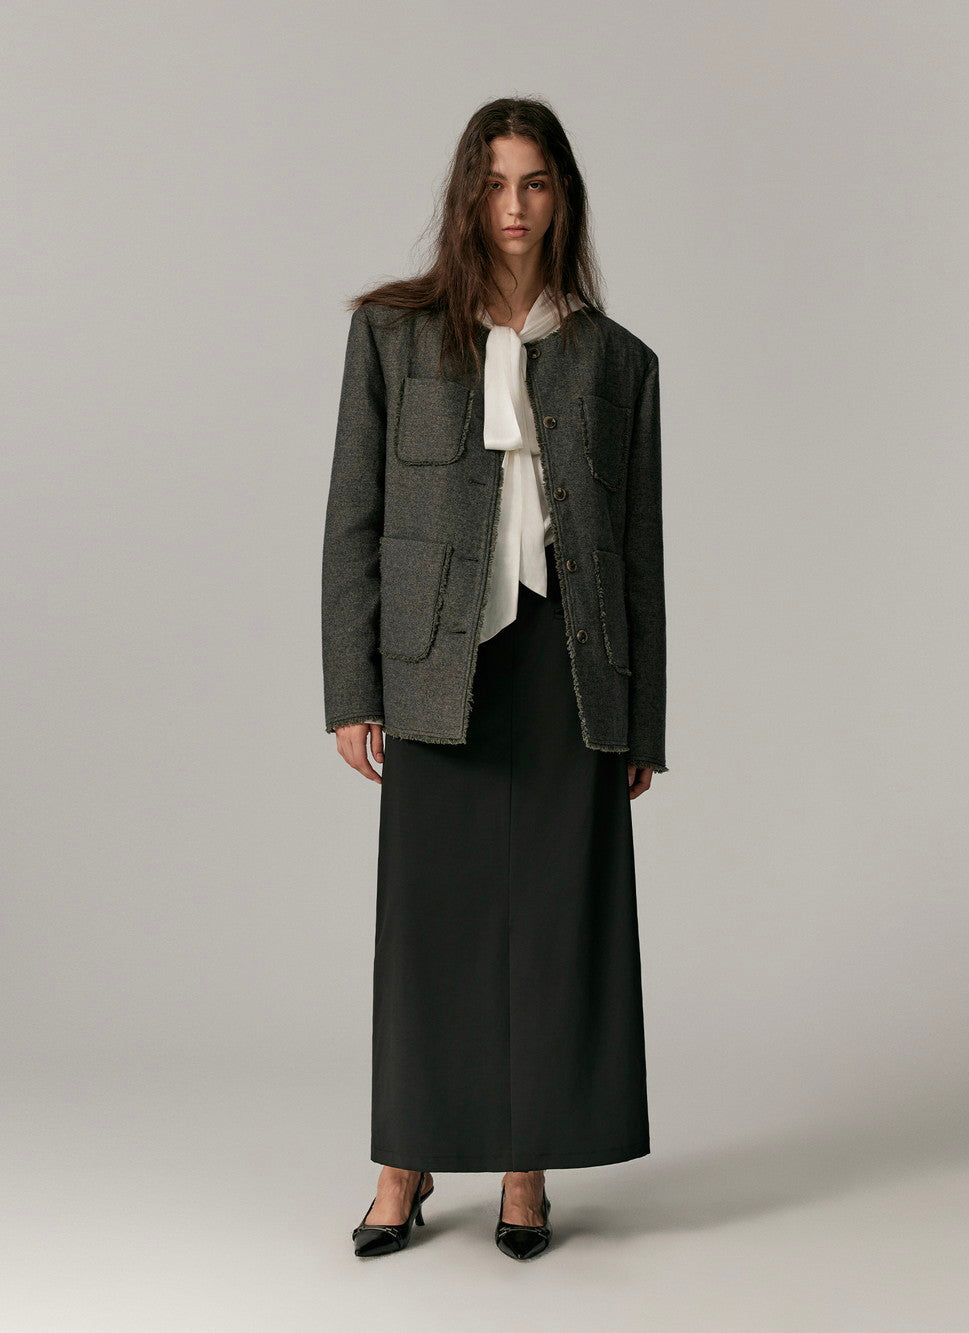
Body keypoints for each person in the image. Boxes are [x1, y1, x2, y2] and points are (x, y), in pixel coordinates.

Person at [321, 96, 668, 1261]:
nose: (513, 206)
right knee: (430, 926)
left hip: (570, 666)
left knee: (556, 920)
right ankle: (403, 1162)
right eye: (493, 182)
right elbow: (354, 517)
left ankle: (526, 1166)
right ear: (467, 195)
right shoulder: (392, 335)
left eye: (535, 182)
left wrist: (642, 720)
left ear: (562, 197)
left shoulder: (617, 361)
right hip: (437, 665)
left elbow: (637, 552)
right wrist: (352, 686)